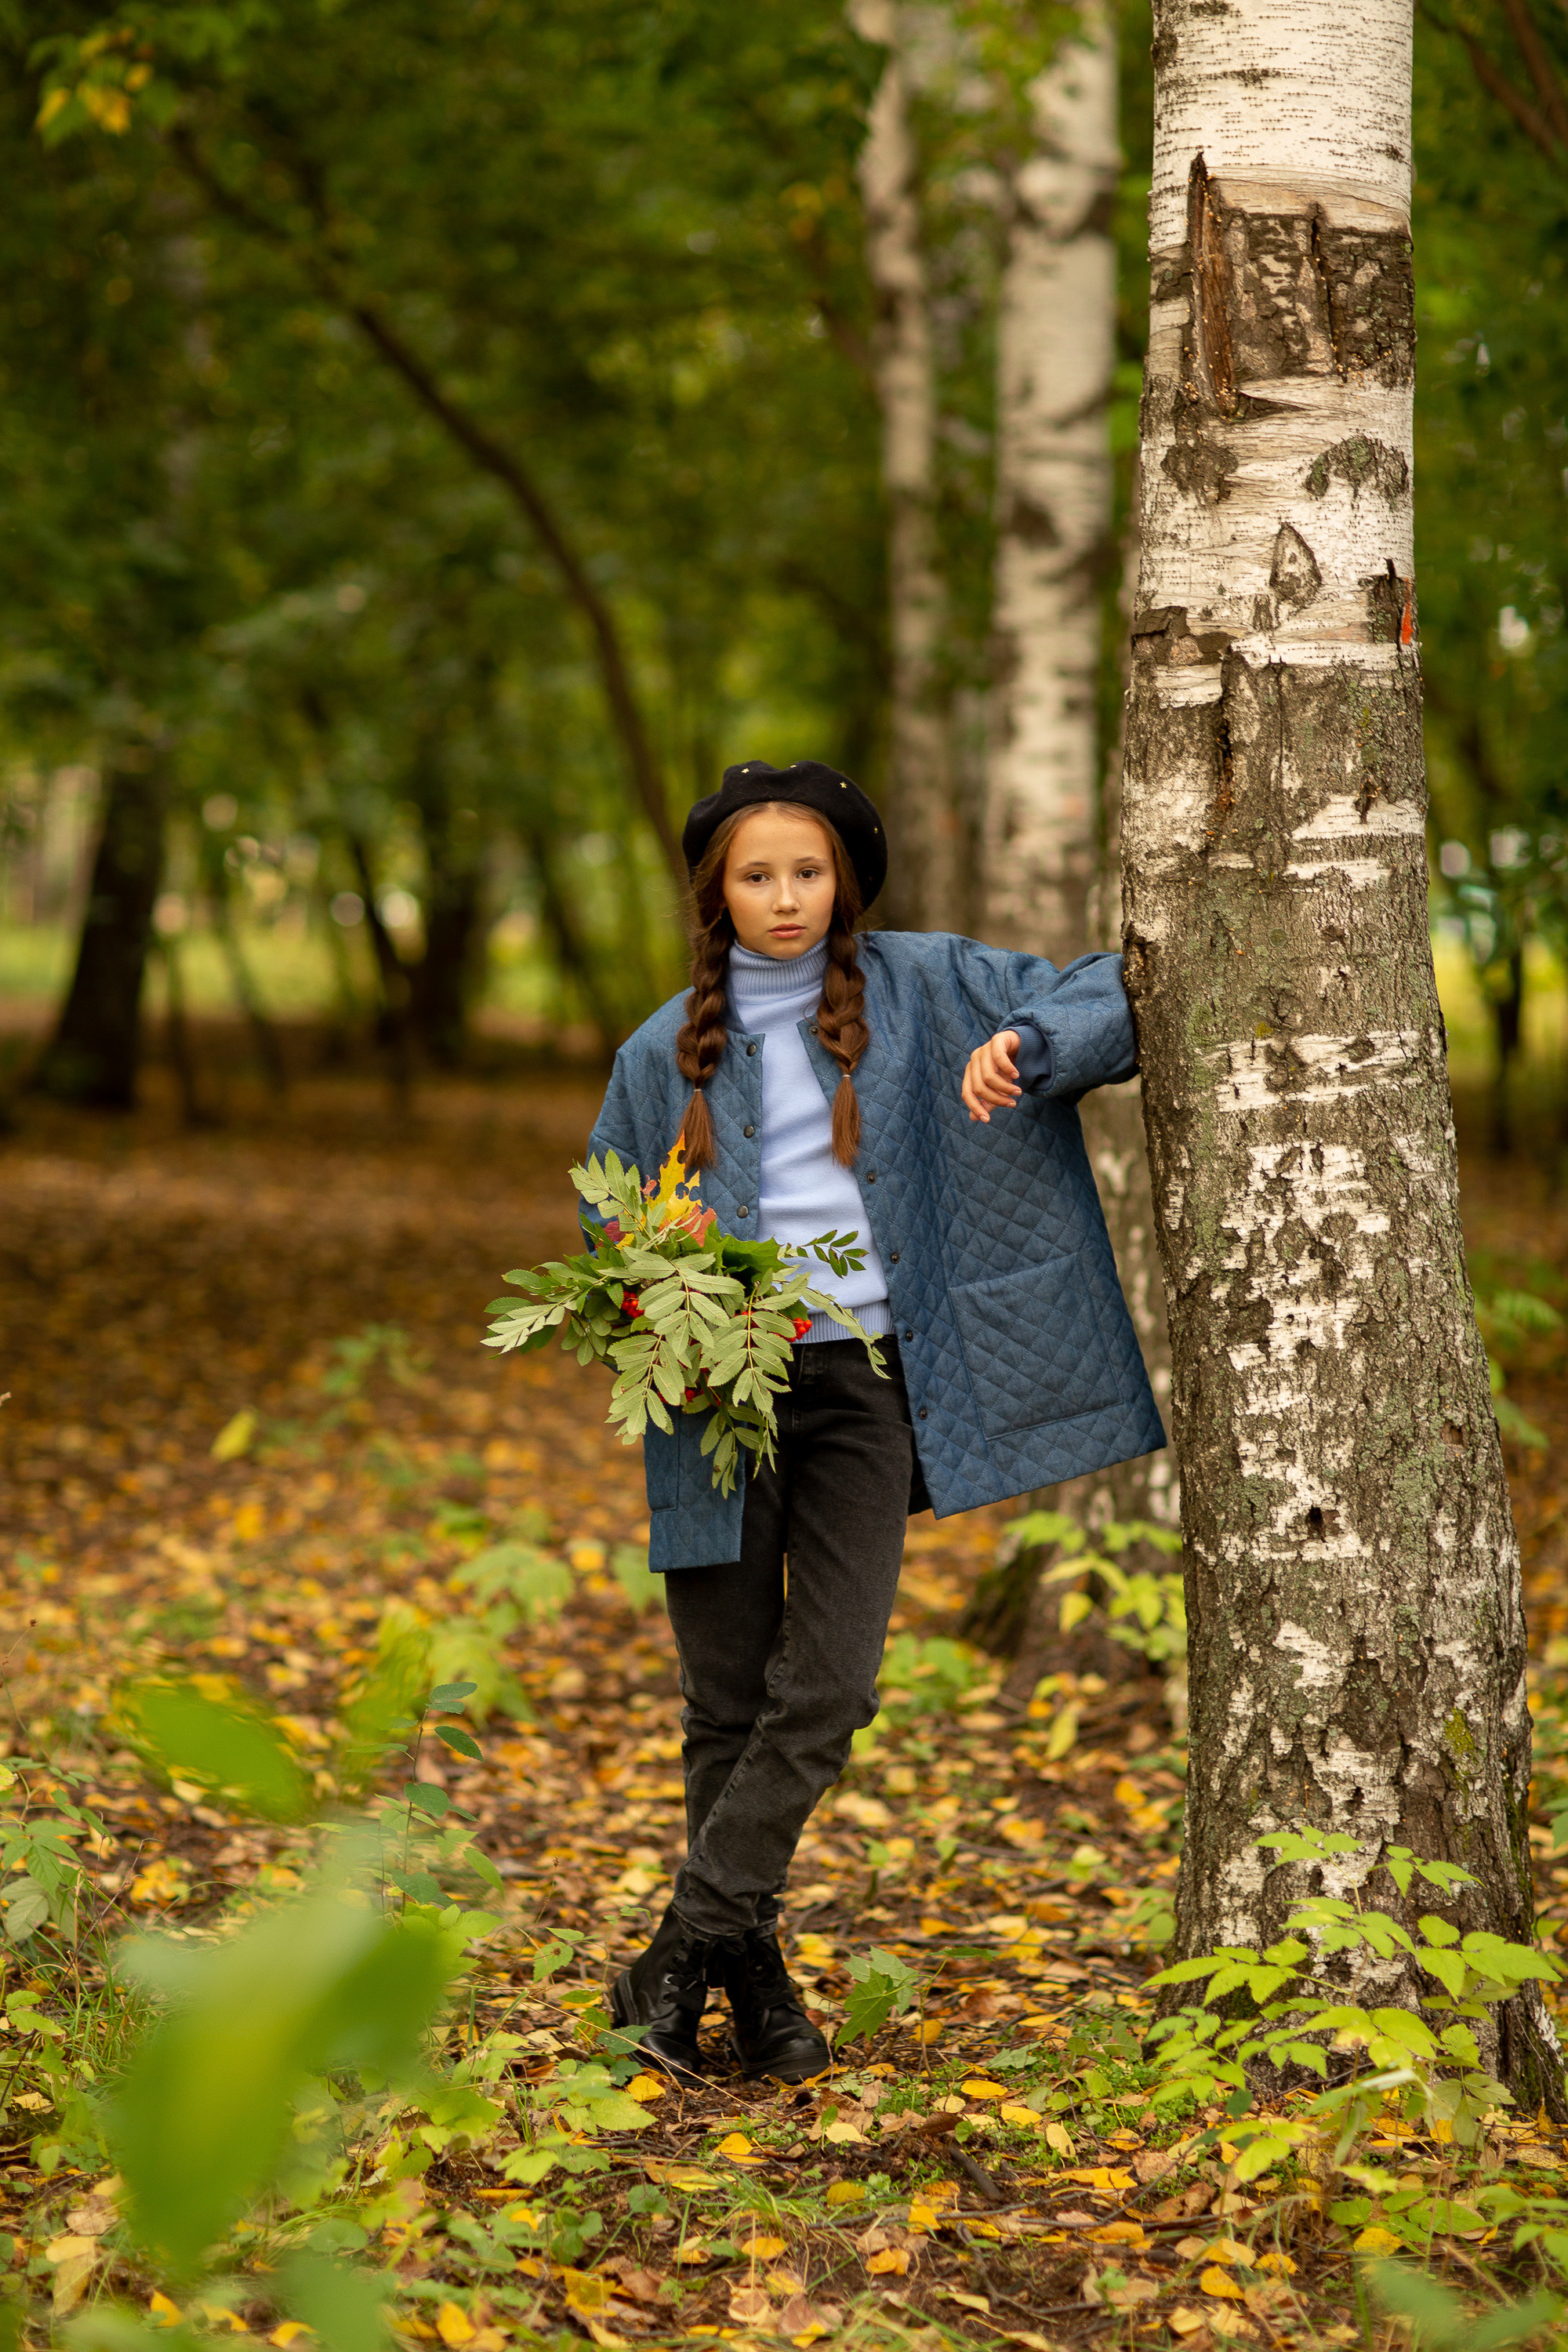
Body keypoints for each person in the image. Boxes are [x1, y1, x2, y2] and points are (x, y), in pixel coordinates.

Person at [584, 758, 1163, 2085]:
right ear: (717, 893)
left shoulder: (932, 983)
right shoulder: (658, 1050)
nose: (786, 897)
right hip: (715, 1395)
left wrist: (1033, 1044)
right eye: (757, 876)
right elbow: (605, 1213)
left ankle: (677, 1948)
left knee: (830, 1688)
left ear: (843, 881)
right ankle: (751, 1983)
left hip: (866, 1387)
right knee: (725, 1703)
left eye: (809, 871)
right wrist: (650, 1281)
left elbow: (1111, 991)